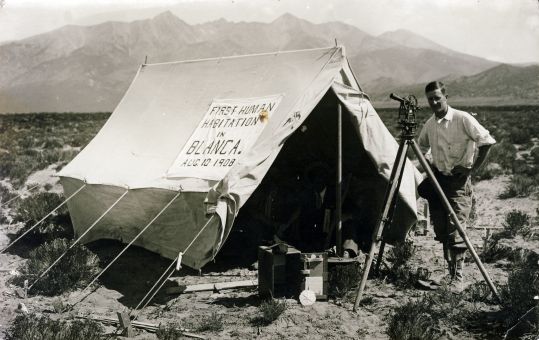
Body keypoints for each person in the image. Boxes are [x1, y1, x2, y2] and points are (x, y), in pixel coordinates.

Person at [417, 81, 495, 292]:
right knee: (442, 229)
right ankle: (449, 276)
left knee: (456, 230)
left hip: (458, 184)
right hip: (438, 181)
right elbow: (422, 144)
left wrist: (472, 169)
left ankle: (458, 279)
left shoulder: (462, 119)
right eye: (430, 99)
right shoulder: (430, 124)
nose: (434, 102)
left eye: (437, 98)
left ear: (445, 97)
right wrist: (429, 163)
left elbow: (486, 141)